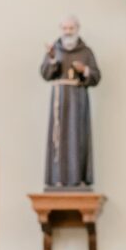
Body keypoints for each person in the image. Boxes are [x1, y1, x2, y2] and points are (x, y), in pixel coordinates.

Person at [40, 16, 100, 189]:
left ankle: (78, 178)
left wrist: (85, 70)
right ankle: (57, 177)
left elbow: (96, 76)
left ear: (77, 28)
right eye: (65, 28)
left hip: (78, 98)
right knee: (57, 136)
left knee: (77, 135)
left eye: (71, 28)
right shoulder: (54, 50)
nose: (68, 32)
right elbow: (45, 74)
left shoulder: (86, 52)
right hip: (59, 98)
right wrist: (52, 59)